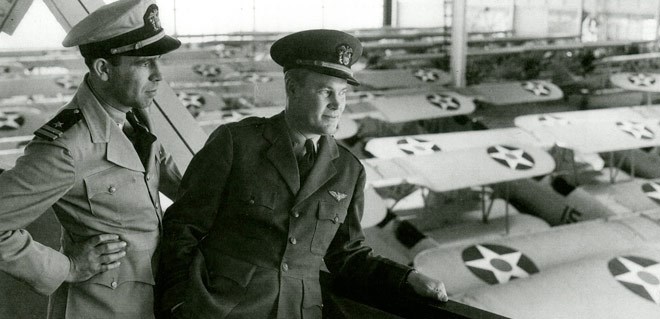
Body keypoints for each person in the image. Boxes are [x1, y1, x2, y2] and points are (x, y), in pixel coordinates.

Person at [156, 29, 448, 319]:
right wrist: (180, 302)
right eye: (325, 92)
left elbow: (347, 255)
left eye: (343, 93)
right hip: (221, 309)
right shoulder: (237, 143)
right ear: (292, 88)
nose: (337, 105)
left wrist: (407, 278)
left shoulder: (348, 169)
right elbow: (183, 226)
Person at [0, 0, 182, 318]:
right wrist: (67, 267)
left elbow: (164, 180)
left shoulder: (135, 117)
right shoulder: (67, 147)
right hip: (98, 309)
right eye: (144, 63)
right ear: (102, 69)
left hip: (149, 302)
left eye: (158, 61)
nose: (158, 76)